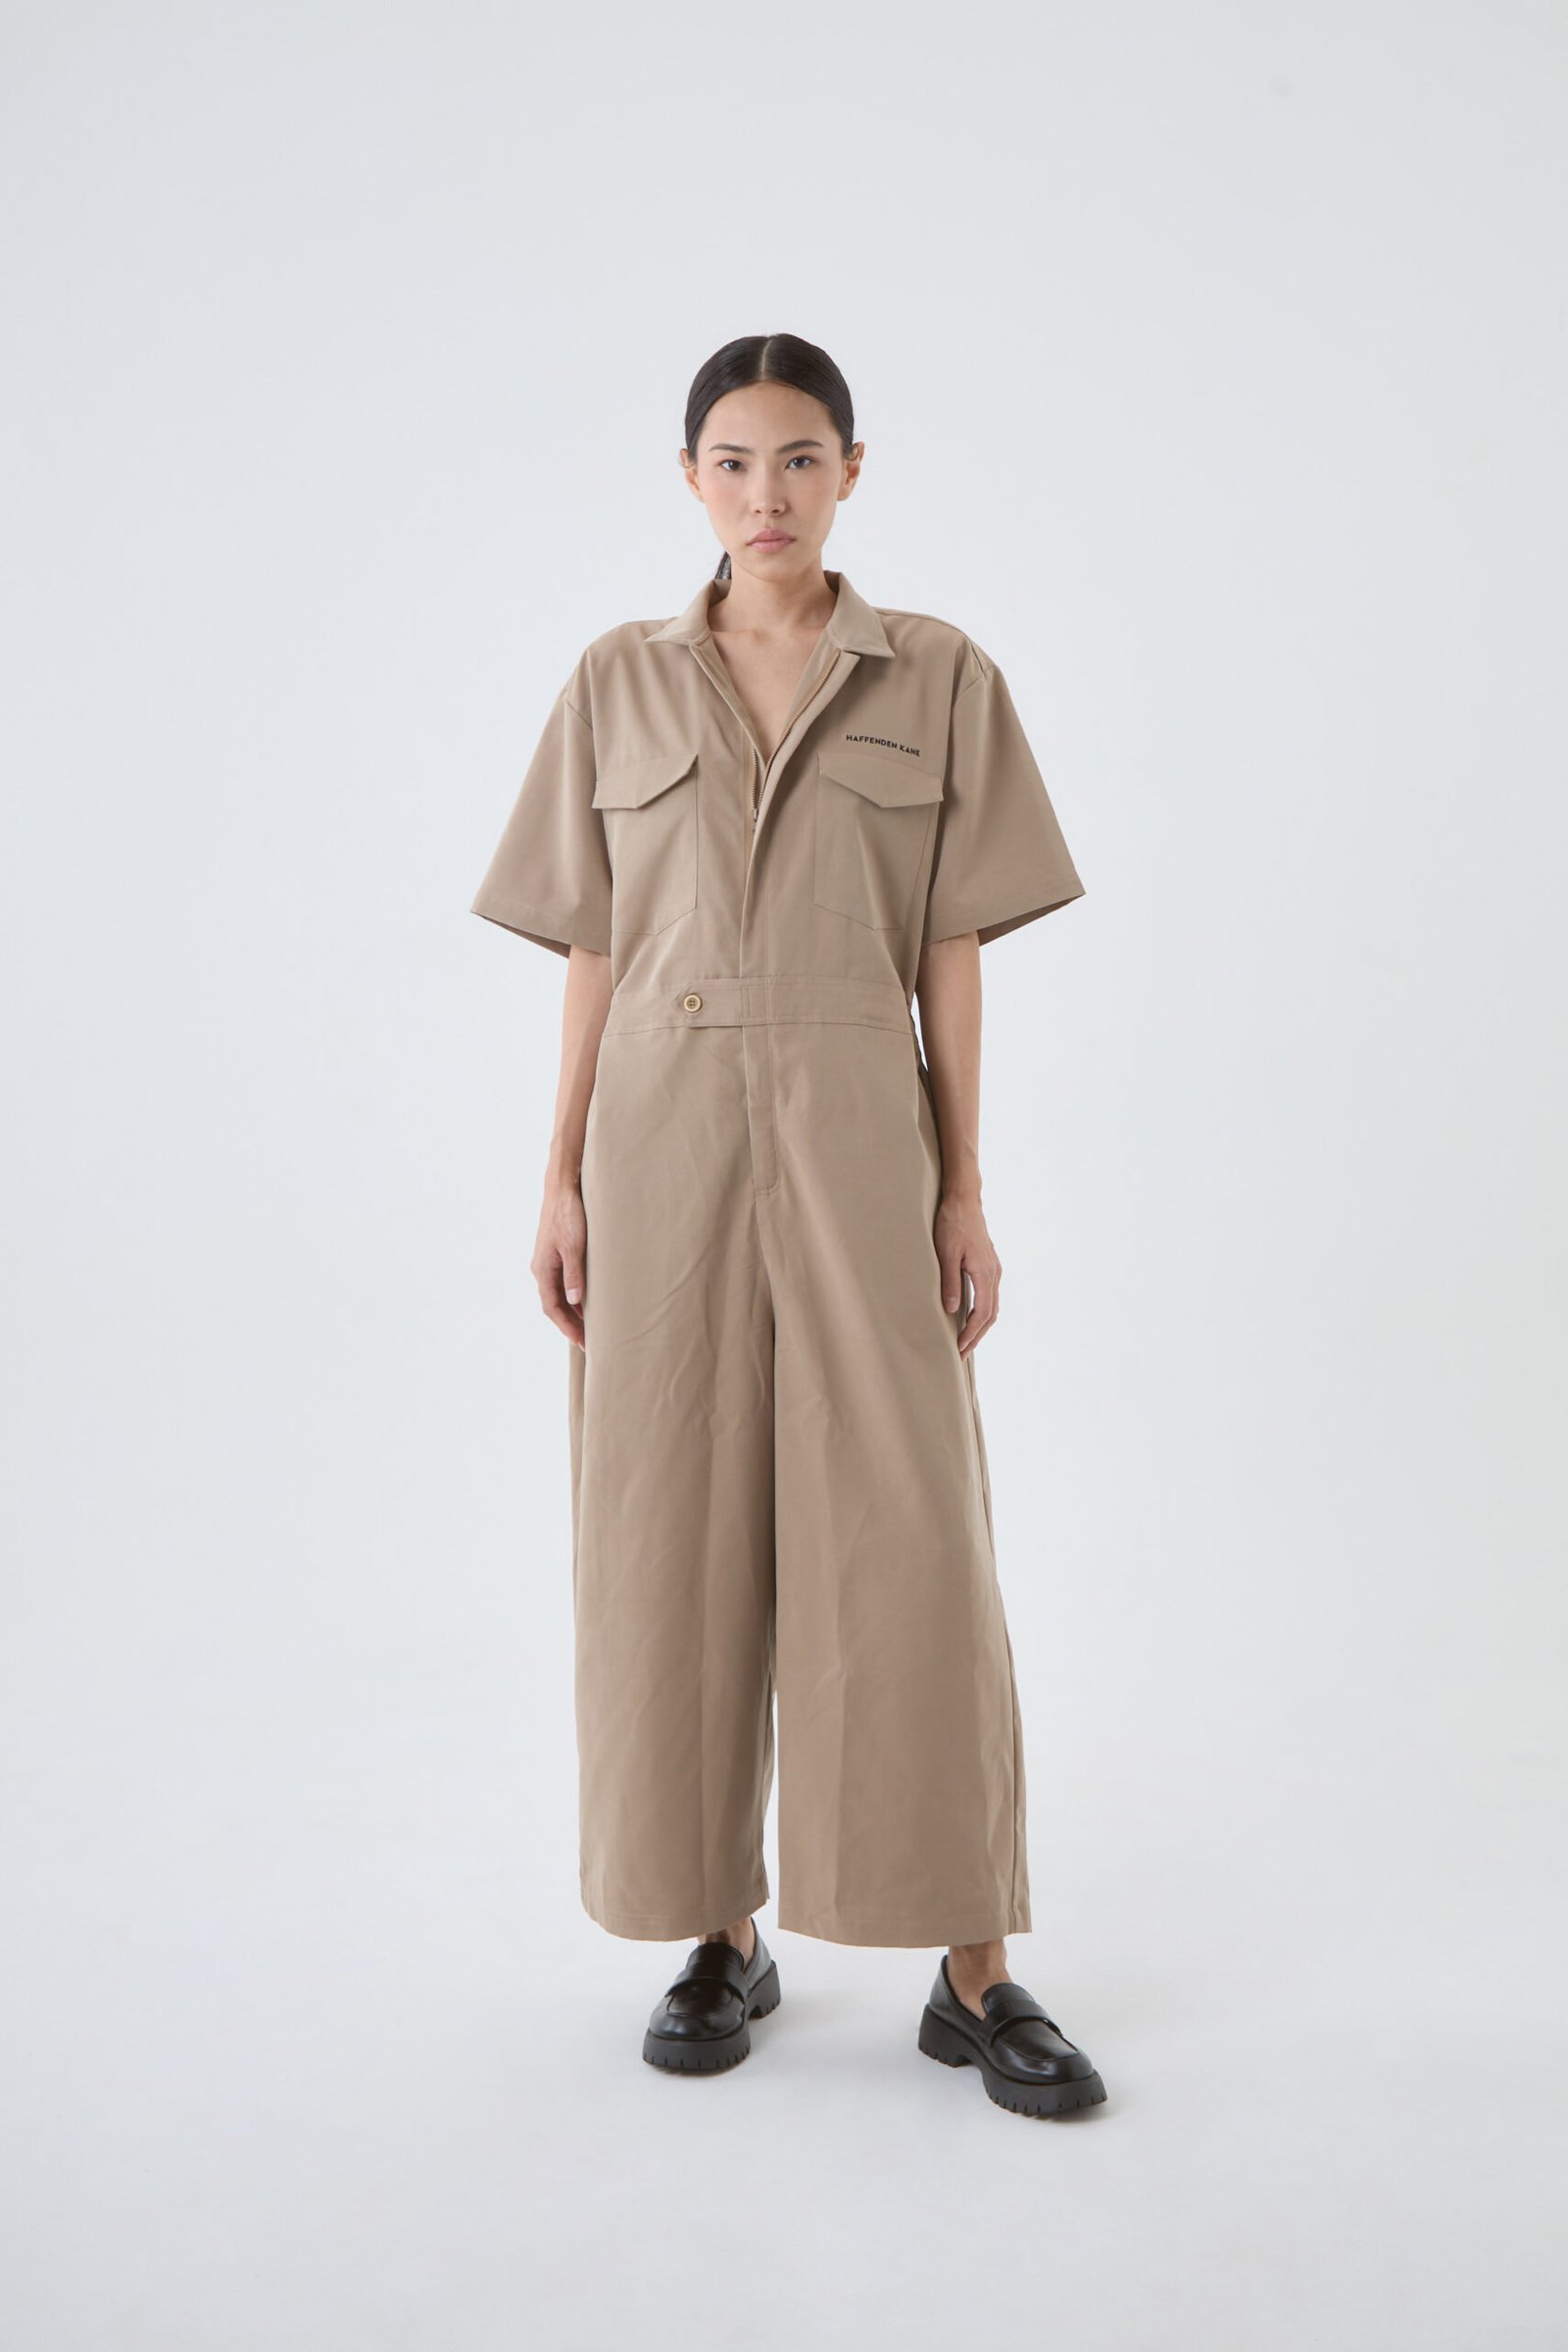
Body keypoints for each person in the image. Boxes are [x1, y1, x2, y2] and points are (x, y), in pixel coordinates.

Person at [470, 332, 1106, 2119]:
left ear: (851, 473)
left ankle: (973, 1967)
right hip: (658, 1136)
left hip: (857, 1134)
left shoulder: (940, 675)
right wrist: (558, 1173)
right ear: (691, 479)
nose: (769, 494)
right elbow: (594, 943)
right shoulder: (616, 681)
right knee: (667, 1530)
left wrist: (964, 1182)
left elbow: (950, 948)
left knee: (909, 1540)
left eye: (802, 459)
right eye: (736, 462)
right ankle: (719, 1929)